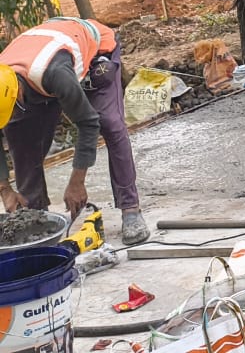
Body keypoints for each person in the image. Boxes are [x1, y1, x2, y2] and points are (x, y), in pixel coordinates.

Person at [0, 17, 150, 245]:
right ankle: (35, 214)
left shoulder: (54, 75)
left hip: (94, 51)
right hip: (45, 62)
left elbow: (88, 123)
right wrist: (5, 190)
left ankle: (130, 208)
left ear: (18, 96)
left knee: (108, 122)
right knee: (21, 136)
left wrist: (77, 181)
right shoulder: (4, 80)